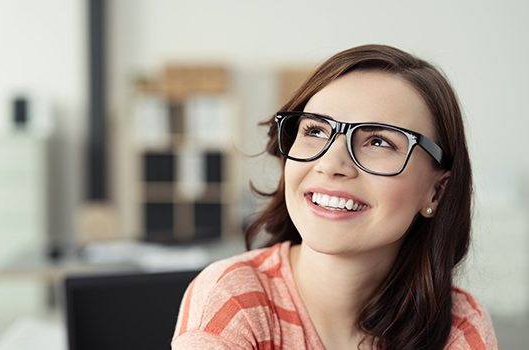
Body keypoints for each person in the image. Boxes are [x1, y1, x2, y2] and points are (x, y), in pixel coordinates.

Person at [171, 44, 498, 349]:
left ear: (437, 191)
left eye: (379, 142)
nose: (331, 164)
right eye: (315, 131)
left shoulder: (460, 322)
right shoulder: (234, 300)